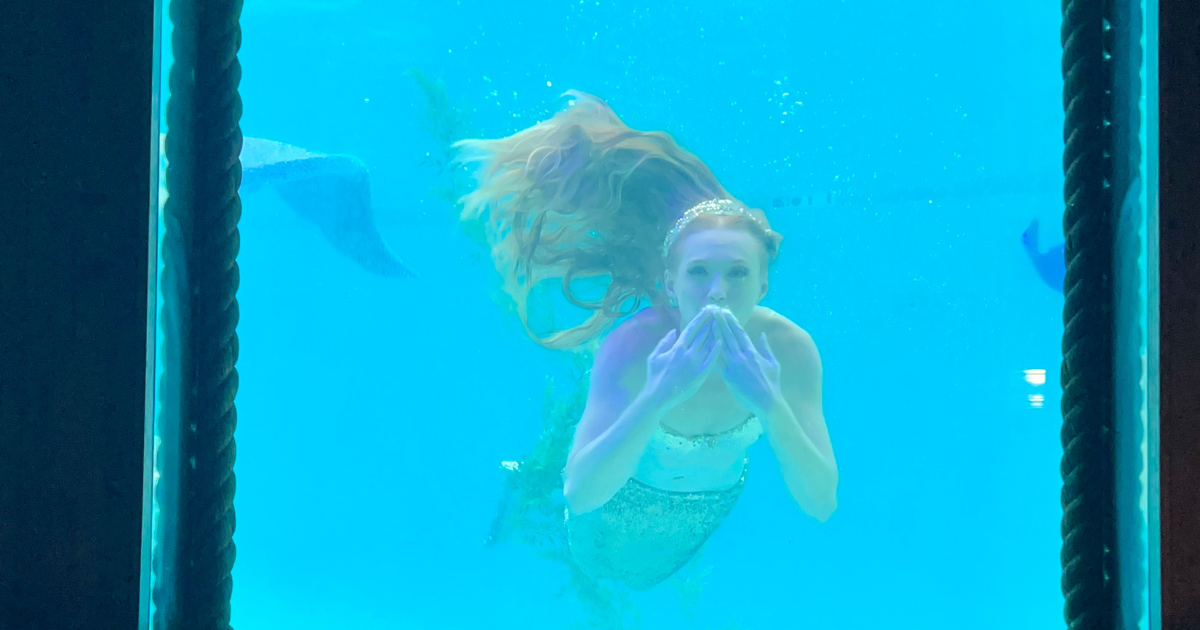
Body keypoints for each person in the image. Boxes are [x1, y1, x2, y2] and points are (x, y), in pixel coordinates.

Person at [458, 92, 838, 591]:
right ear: (669, 282)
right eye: (699, 272)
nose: (718, 291)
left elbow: (821, 505)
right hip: (608, 513)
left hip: (698, 524)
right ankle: (525, 482)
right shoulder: (634, 348)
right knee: (575, 539)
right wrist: (659, 395)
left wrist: (769, 404)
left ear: (763, 286)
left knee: (643, 587)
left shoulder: (789, 351)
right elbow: (583, 496)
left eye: (738, 273)